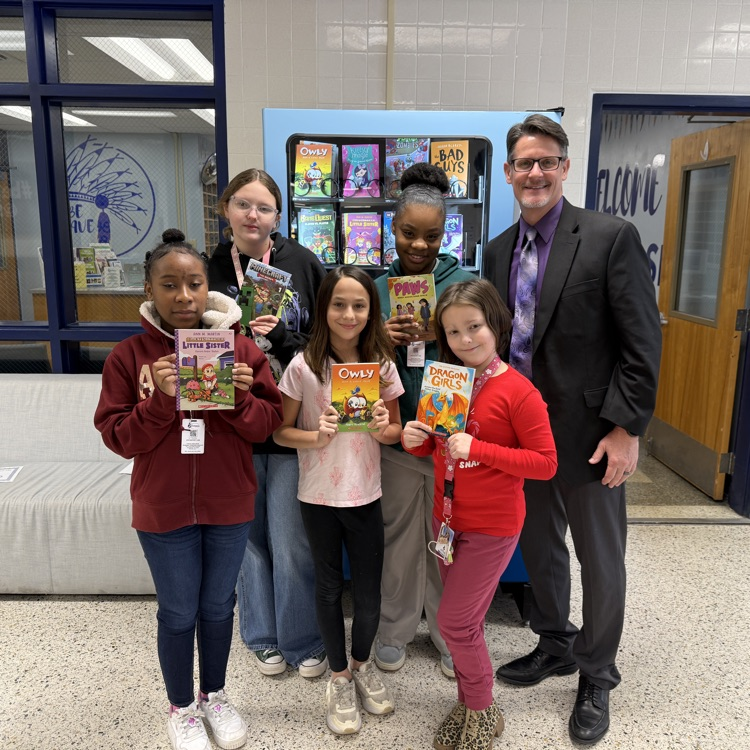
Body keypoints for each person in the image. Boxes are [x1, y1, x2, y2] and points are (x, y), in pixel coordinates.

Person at [484, 114, 661, 745]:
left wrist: (626, 427)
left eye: (546, 161)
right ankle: (555, 641)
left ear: (563, 168)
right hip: (520, 436)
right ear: (508, 173)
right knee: (540, 546)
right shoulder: (498, 248)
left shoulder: (610, 236)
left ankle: (596, 671)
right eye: (523, 163)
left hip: (590, 431)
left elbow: (643, 340)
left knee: (599, 555)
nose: (534, 172)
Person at [94, 229, 284, 750]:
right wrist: (160, 399)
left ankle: (215, 696)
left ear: (209, 288)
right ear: (150, 290)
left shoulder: (242, 349)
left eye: (194, 284)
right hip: (162, 508)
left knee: (219, 608)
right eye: (170, 285)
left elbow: (267, 424)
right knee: (178, 612)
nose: (183, 297)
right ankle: (180, 708)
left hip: (229, 504)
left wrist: (241, 400)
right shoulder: (129, 357)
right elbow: (117, 437)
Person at [402, 278, 557, 750]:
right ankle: (472, 700)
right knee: (462, 623)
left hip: (492, 526)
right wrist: (417, 441)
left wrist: (482, 448)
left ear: (496, 324)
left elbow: (545, 464)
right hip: (447, 521)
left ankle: (482, 707)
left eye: (474, 327)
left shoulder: (519, 391)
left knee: (453, 624)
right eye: (452, 332)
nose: (465, 340)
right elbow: (442, 447)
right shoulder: (447, 382)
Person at [273, 266, 404, 736]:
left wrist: (378, 427)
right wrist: (316, 435)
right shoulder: (303, 366)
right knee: (328, 590)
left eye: (360, 305)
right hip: (319, 497)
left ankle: (362, 666)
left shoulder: (381, 364)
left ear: (372, 311)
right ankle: (339, 676)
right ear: (323, 307)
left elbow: (393, 432)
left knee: (369, 596)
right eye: (339, 304)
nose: (349, 314)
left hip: (366, 495)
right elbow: (280, 431)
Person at [208, 168, 328, 680]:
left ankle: (303, 639)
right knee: (246, 540)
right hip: (228, 424)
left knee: (292, 538)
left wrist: (281, 337)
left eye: (263, 207)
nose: (252, 215)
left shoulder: (303, 264)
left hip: (288, 422)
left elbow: (329, 341)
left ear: (279, 216)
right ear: (226, 209)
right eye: (242, 204)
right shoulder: (207, 266)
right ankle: (260, 636)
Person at [374, 162, 474, 677]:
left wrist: (440, 335)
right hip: (395, 441)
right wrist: (380, 340)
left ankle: (446, 632)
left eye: (431, 236)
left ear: (444, 234)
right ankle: (393, 628)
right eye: (409, 233)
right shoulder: (375, 287)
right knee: (396, 538)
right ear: (394, 229)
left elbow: (483, 351)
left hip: (447, 442)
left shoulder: (463, 284)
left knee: (444, 541)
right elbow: (353, 362)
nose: (419, 245)